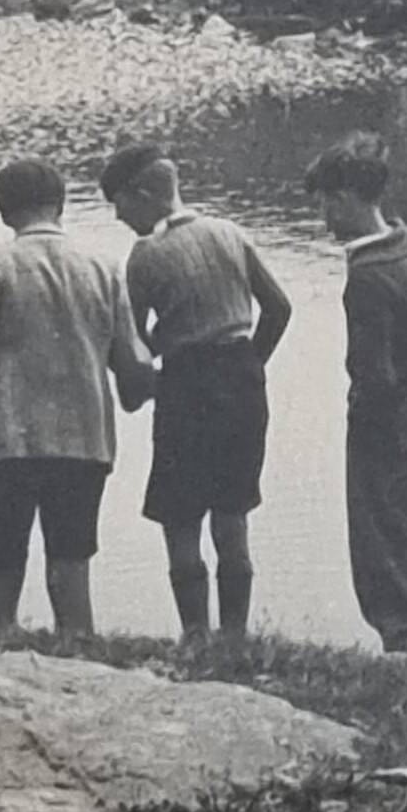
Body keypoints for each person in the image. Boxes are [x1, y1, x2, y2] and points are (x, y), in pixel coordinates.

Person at [0, 157, 153, 636]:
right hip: (83, 438)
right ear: (61, 205)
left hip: (7, 438)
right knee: (71, 563)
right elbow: (133, 361)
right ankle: (79, 661)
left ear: (3, 212)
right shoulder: (103, 267)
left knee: (0, 570)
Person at [99, 141, 290, 639]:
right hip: (244, 384)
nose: (119, 216)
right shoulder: (229, 232)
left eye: (119, 203)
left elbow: (134, 345)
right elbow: (279, 308)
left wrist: (144, 386)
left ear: (142, 195)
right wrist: (250, 364)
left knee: (180, 518)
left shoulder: (145, 256)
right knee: (232, 515)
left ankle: (195, 636)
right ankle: (234, 637)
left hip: (187, 387)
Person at [302, 134, 407, 661]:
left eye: (326, 203)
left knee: (387, 546)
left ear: (347, 198)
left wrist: (366, 436)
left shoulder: (366, 274)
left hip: (390, 425)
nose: (324, 218)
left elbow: (372, 377)